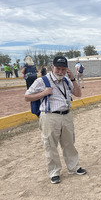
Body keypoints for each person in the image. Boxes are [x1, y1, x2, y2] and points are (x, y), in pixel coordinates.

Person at [24, 56, 87, 184]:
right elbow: (27, 96)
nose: (60, 72)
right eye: (58, 68)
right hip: (50, 116)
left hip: (66, 115)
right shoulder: (42, 81)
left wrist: (73, 79)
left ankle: (73, 167)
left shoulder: (66, 80)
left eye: (63, 69)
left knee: (69, 142)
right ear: (52, 67)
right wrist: (43, 93)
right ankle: (54, 172)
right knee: (50, 145)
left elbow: (78, 94)